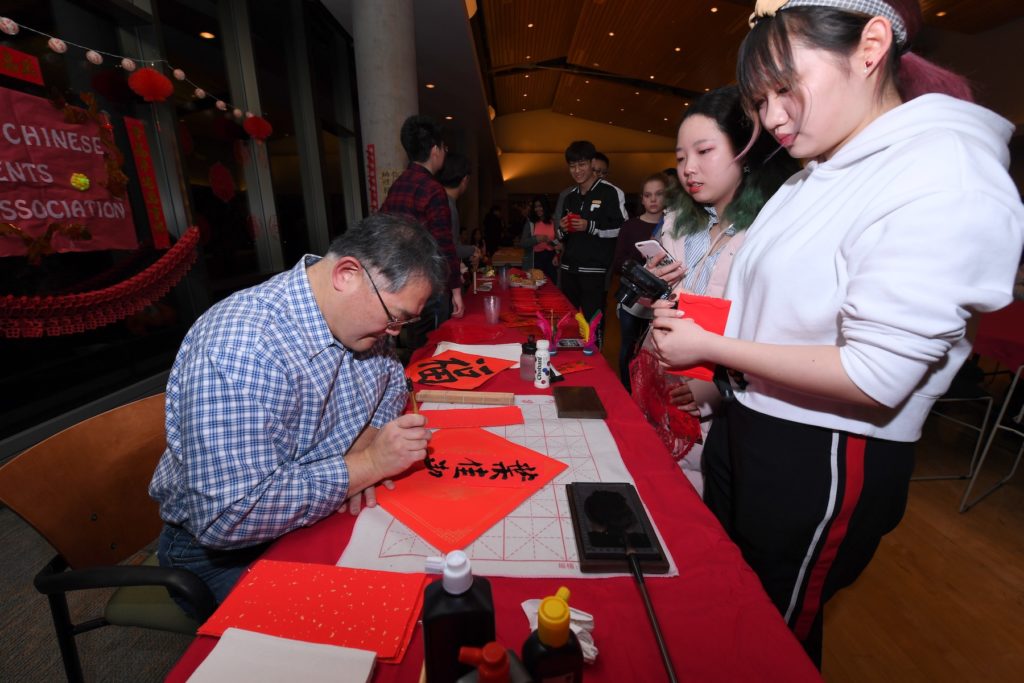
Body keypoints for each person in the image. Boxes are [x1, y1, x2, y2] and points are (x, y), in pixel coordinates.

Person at [649, 0, 1024, 666]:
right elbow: (773, 308)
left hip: (824, 451)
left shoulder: (943, 169)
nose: (773, 118)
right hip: (751, 423)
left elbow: (877, 375)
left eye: (787, 89)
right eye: (761, 101)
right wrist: (703, 337)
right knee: (730, 604)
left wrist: (708, 347)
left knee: (768, 641)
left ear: (871, 44)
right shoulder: (816, 174)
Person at [149, 213, 447, 607]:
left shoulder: (361, 320)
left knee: (422, 587)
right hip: (221, 554)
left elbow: (392, 383)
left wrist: (360, 454)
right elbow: (228, 516)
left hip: (309, 513)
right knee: (355, 620)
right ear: (346, 274)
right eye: (395, 318)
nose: (394, 333)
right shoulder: (242, 347)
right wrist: (366, 467)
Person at [630, 87, 798, 492]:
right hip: (661, 382)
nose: (689, 168)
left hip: (725, 407)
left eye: (704, 152)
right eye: (681, 157)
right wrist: (651, 289)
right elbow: (646, 314)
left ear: (746, 152)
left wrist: (721, 387)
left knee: (702, 505)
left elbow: (777, 337)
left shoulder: (769, 234)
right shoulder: (677, 224)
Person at [381, 115, 463, 350]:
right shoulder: (433, 190)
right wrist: (455, 289)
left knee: (414, 350)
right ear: (435, 149)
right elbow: (444, 245)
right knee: (433, 349)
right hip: (428, 288)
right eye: (444, 147)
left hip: (397, 284)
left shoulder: (397, 185)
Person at [555, 140, 628, 336]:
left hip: (594, 271)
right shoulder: (570, 196)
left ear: (591, 163)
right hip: (568, 268)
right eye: (572, 166)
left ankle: (594, 362)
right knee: (568, 323)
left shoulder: (609, 192)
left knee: (592, 326)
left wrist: (591, 226)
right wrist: (563, 229)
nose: (577, 170)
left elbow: (622, 228)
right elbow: (562, 236)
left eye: (582, 164)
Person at [610, 172, 669, 392]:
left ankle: (647, 392)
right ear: (642, 199)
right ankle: (627, 390)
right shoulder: (630, 227)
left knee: (655, 349)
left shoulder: (673, 226)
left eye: (658, 194)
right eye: (648, 195)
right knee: (628, 345)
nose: (653, 199)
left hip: (659, 300)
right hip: (633, 298)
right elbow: (617, 263)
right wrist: (642, 261)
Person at [438, 151, 481, 269]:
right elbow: (449, 248)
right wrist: (473, 249)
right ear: (465, 179)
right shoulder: (447, 205)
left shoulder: (439, 199)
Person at [520, 194, 558, 281]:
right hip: (535, 259)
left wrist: (557, 254)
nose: (537, 209)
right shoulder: (530, 222)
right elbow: (522, 243)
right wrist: (536, 239)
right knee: (535, 286)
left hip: (551, 259)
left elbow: (559, 241)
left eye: (540, 206)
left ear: (545, 206)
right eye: (535, 207)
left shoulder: (554, 220)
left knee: (551, 287)